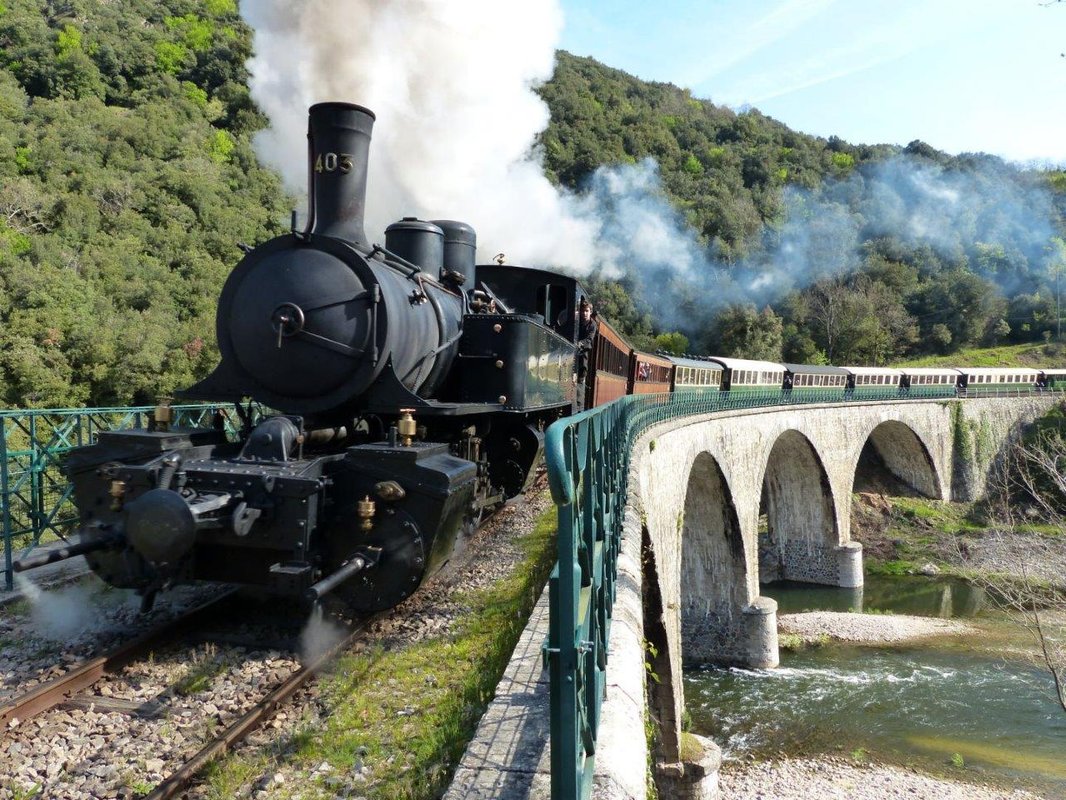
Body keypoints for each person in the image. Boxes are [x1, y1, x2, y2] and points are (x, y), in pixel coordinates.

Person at [575, 300, 599, 410]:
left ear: (590, 312)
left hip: (582, 351)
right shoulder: (576, 320)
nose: (584, 313)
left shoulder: (593, 325)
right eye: (583, 311)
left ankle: (579, 405)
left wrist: (579, 344)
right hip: (572, 349)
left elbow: (589, 340)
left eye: (586, 311)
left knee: (582, 369)